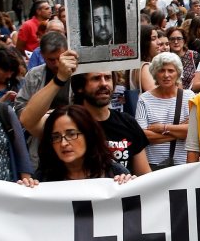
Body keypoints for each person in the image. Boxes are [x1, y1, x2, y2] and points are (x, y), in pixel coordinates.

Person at [19, 47, 152, 176]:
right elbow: (27, 120)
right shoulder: (63, 121)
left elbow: (144, 176)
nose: (104, 84)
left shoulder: (127, 123)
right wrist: (59, 79)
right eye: (96, 79)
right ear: (80, 87)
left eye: (108, 78)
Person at [34, 105, 132, 183]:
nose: (63, 143)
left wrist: (132, 187)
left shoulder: (115, 173)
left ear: (89, 135)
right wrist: (26, 190)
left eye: (71, 134)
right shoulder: (43, 178)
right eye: (56, 137)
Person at [136, 52, 194, 170]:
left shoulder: (189, 96)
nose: (166, 75)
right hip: (153, 164)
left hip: (182, 164)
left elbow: (193, 131)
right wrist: (180, 131)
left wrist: (162, 127)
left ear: (177, 73)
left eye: (170, 71)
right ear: (155, 73)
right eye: (161, 70)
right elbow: (143, 135)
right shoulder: (144, 99)